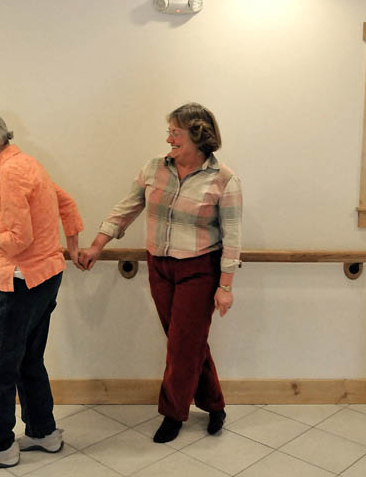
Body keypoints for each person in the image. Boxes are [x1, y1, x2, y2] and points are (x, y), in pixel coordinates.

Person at [78, 103, 243, 443]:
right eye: (168, 131)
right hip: (159, 266)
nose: (168, 138)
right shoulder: (154, 168)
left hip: (199, 268)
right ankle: (215, 405)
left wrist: (225, 285)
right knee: (186, 341)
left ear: (197, 135)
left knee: (183, 345)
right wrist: (97, 245)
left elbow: (233, 238)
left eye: (175, 132)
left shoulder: (224, 180)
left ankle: (173, 413)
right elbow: (126, 208)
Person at [0, 110, 83, 473]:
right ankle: (43, 432)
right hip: (47, 275)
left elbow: (17, 240)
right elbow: (68, 204)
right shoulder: (29, 164)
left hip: (21, 280)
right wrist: (71, 247)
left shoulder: (9, 174)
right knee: (28, 357)